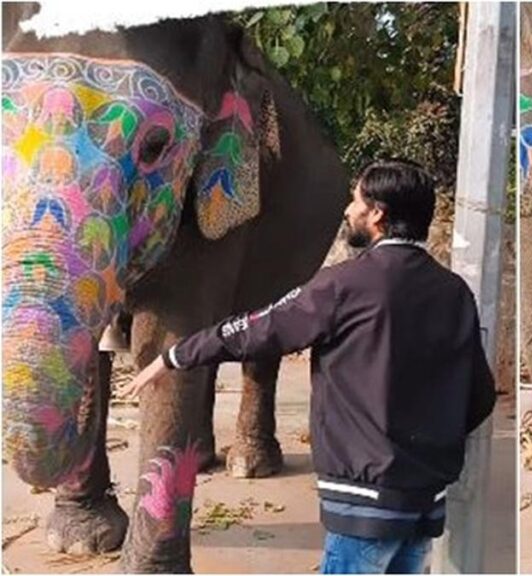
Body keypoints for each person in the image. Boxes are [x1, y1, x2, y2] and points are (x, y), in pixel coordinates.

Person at [128, 159, 496, 574]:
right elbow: (480, 395)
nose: (347, 210)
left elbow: (259, 329)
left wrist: (174, 355)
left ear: (377, 213)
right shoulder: (454, 293)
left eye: (356, 201)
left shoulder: (343, 285)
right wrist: (430, 443)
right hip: (425, 502)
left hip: (364, 500)